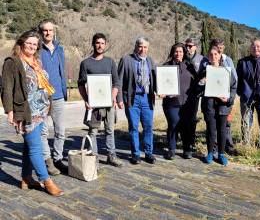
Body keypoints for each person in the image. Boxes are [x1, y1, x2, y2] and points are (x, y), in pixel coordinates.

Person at [1, 30, 63, 196]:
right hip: (26, 112)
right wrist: (10, 111)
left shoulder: (36, 62)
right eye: (29, 42)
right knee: (36, 148)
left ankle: (26, 178)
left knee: (29, 147)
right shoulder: (12, 62)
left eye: (35, 44)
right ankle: (46, 180)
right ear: (21, 43)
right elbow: (6, 88)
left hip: (41, 110)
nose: (32, 46)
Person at [78, 33, 123, 167]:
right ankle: (94, 158)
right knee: (93, 131)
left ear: (105, 45)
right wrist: (86, 100)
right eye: (97, 42)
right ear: (93, 44)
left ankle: (111, 156)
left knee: (110, 130)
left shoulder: (110, 62)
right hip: (93, 105)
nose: (100, 45)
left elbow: (116, 83)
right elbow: (81, 84)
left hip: (109, 104)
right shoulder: (85, 63)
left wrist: (113, 96)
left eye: (102, 43)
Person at [118, 36, 156, 164]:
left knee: (148, 127)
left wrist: (161, 90)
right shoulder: (126, 59)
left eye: (145, 47)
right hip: (132, 98)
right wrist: (119, 99)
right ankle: (135, 154)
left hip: (147, 98)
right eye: (140, 46)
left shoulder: (150, 61)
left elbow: (155, 80)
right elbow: (119, 81)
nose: (142, 49)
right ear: (135, 46)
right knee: (133, 127)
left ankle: (149, 153)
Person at [38, 19, 67, 175]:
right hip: (42, 97)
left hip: (59, 96)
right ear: (41, 32)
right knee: (43, 132)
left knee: (60, 131)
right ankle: (47, 161)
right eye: (45, 30)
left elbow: (62, 69)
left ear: (53, 31)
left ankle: (57, 158)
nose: (48, 33)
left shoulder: (60, 49)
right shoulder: (37, 49)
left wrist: (64, 89)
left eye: (50, 30)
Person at [199, 46, 237, 166]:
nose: (213, 56)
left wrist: (229, 98)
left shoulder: (226, 71)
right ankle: (210, 153)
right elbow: (196, 89)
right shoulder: (204, 71)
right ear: (208, 57)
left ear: (220, 56)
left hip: (223, 106)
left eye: (216, 54)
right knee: (211, 129)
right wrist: (201, 82)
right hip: (209, 105)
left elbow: (233, 87)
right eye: (211, 54)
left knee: (222, 130)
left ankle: (221, 154)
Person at [162, 43, 197, 160]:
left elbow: (196, 83)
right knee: (173, 124)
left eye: (181, 51)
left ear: (184, 53)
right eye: (176, 51)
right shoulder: (166, 67)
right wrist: (161, 91)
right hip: (171, 103)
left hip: (187, 103)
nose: (178, 54)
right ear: (172, 52)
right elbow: (160, 84)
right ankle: (171, 149)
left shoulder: (190, 66)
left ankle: (187, 149)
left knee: (186, 125)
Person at [237, 39, 260, 148]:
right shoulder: (242, 62)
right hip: (247, 98)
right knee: (246, 123)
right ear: (250, 48)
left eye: (259, 46)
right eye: (253, 46)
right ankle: (246, 144)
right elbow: (238, 79)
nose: (256, 48)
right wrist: (241, 93)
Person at [209, 39, 238, 155]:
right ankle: (215, 148)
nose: (219, 48)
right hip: (211, 101)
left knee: (226, 124)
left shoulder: (228, 60)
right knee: (213, 125)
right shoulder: (207, 61)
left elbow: (234, 80)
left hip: (225, 101)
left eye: (221, 46)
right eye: (217, 46)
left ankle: (228, 146)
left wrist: (230, 98)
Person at [184, 38, 208, 151]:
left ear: (195, 47)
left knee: (192, 118)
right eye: (186, 45)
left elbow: (206, 73)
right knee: (182, 117)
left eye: (190, 46)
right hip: (182, 93)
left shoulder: (202, 59)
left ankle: (191, 140)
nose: (188, 48)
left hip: (195, 93)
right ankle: (184, 138)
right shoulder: (182, 57)